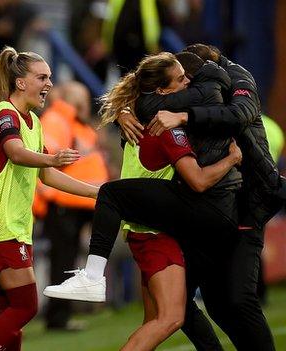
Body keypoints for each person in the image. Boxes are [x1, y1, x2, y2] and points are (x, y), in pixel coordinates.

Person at [44, 52, 246, 349]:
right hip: (154, 231)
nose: (188, 83)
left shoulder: (138, 116)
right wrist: (232, 159)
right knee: (171, 317)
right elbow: (198, 180)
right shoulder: (164, 126)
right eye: (180, 80)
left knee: (156, 320)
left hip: (143, 227)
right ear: (162, 91)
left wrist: (124, 111)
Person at [130, 43, 278, 350]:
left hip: (249, 200)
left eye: (188, 80)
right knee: (203, 302)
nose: (186, 86)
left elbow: (239, 115)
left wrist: (182, 116)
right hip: (216, 204)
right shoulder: (204, 88)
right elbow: (150, 106)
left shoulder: (238, 80)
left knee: (237, 299)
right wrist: (124, 112)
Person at [0, 46, 99, 351]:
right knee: (26, 306)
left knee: (12, 306)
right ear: (21, 82)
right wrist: (51, 160)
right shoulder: (5, 113)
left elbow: (48, 177)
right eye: (42, 77)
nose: (49, 84)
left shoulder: (34, 122)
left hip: (12, 225)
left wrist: (96, 192)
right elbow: (14, 152)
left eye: (50, 77)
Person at [37, 81, 109, 331]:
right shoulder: (57, 120)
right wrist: (47, 194)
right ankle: (57, 318)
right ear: (73, 100)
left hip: (81, 202)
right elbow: (47, 160)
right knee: (63, 260)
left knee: (70, 259)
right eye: (84, 99)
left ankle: (63, 315)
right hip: (64, 203)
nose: (88, 104)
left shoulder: (77, 123)